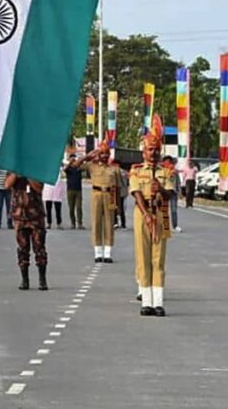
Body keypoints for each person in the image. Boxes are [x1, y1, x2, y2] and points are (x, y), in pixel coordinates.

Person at [130, 117, 173, 316]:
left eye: (156, 149)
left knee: (158, 259)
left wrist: (161, 189)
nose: (153, 153)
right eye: (150, 149)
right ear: (143, 151)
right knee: (143, 257)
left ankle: (158, 302)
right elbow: (136, 193)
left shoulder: (166, 171)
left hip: (160, 213)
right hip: (142, 214)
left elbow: (171, 194)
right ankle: (146, 301)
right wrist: (146, 214)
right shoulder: (136, 170)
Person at [74, 143, 122, 263]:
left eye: (106, 153)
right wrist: (87, 156)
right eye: (102, 153)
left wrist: (118, 205)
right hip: (96, 193)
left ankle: (107, 253)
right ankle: (98, 252)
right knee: (96, 223)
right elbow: (75, 165)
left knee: (109, 224)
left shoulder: (114, 169)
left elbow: (118, 187)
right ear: (98, 155)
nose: (104, 156)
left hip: (110, 194)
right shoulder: (92, 166)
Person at [8, 172, 47, 290]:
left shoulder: (36, 169)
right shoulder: (13, 168)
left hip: (35, 215)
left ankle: (42, 279)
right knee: (22, 249)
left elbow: (39, 188)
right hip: (19, 216)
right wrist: (16, 173)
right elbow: (7, 184)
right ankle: (24, 279)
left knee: (39, 248)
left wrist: (28, 174)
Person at [63, 154, 84, 229]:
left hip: (78, 190)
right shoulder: (69, 169)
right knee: (71, 208)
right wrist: (69, 163)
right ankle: (73, 222)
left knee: (79, 207)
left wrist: (79, 161)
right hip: (70, 190)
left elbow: (84, 165)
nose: (73, 160)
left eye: (74, 158)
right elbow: (64, 169)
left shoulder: (79, 168)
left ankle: (80, 223)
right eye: (71, 158)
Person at [163, 156, 181, 232]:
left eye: (169, 162)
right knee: (164, 210)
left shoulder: (175, 171)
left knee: (174, 210)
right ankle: (164, 226)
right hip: (164, 192)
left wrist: (179, 192)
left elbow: (178, 182)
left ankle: (175, 226)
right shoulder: (162, 171)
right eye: (166, 162)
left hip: (173, 192)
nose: (168, 163)